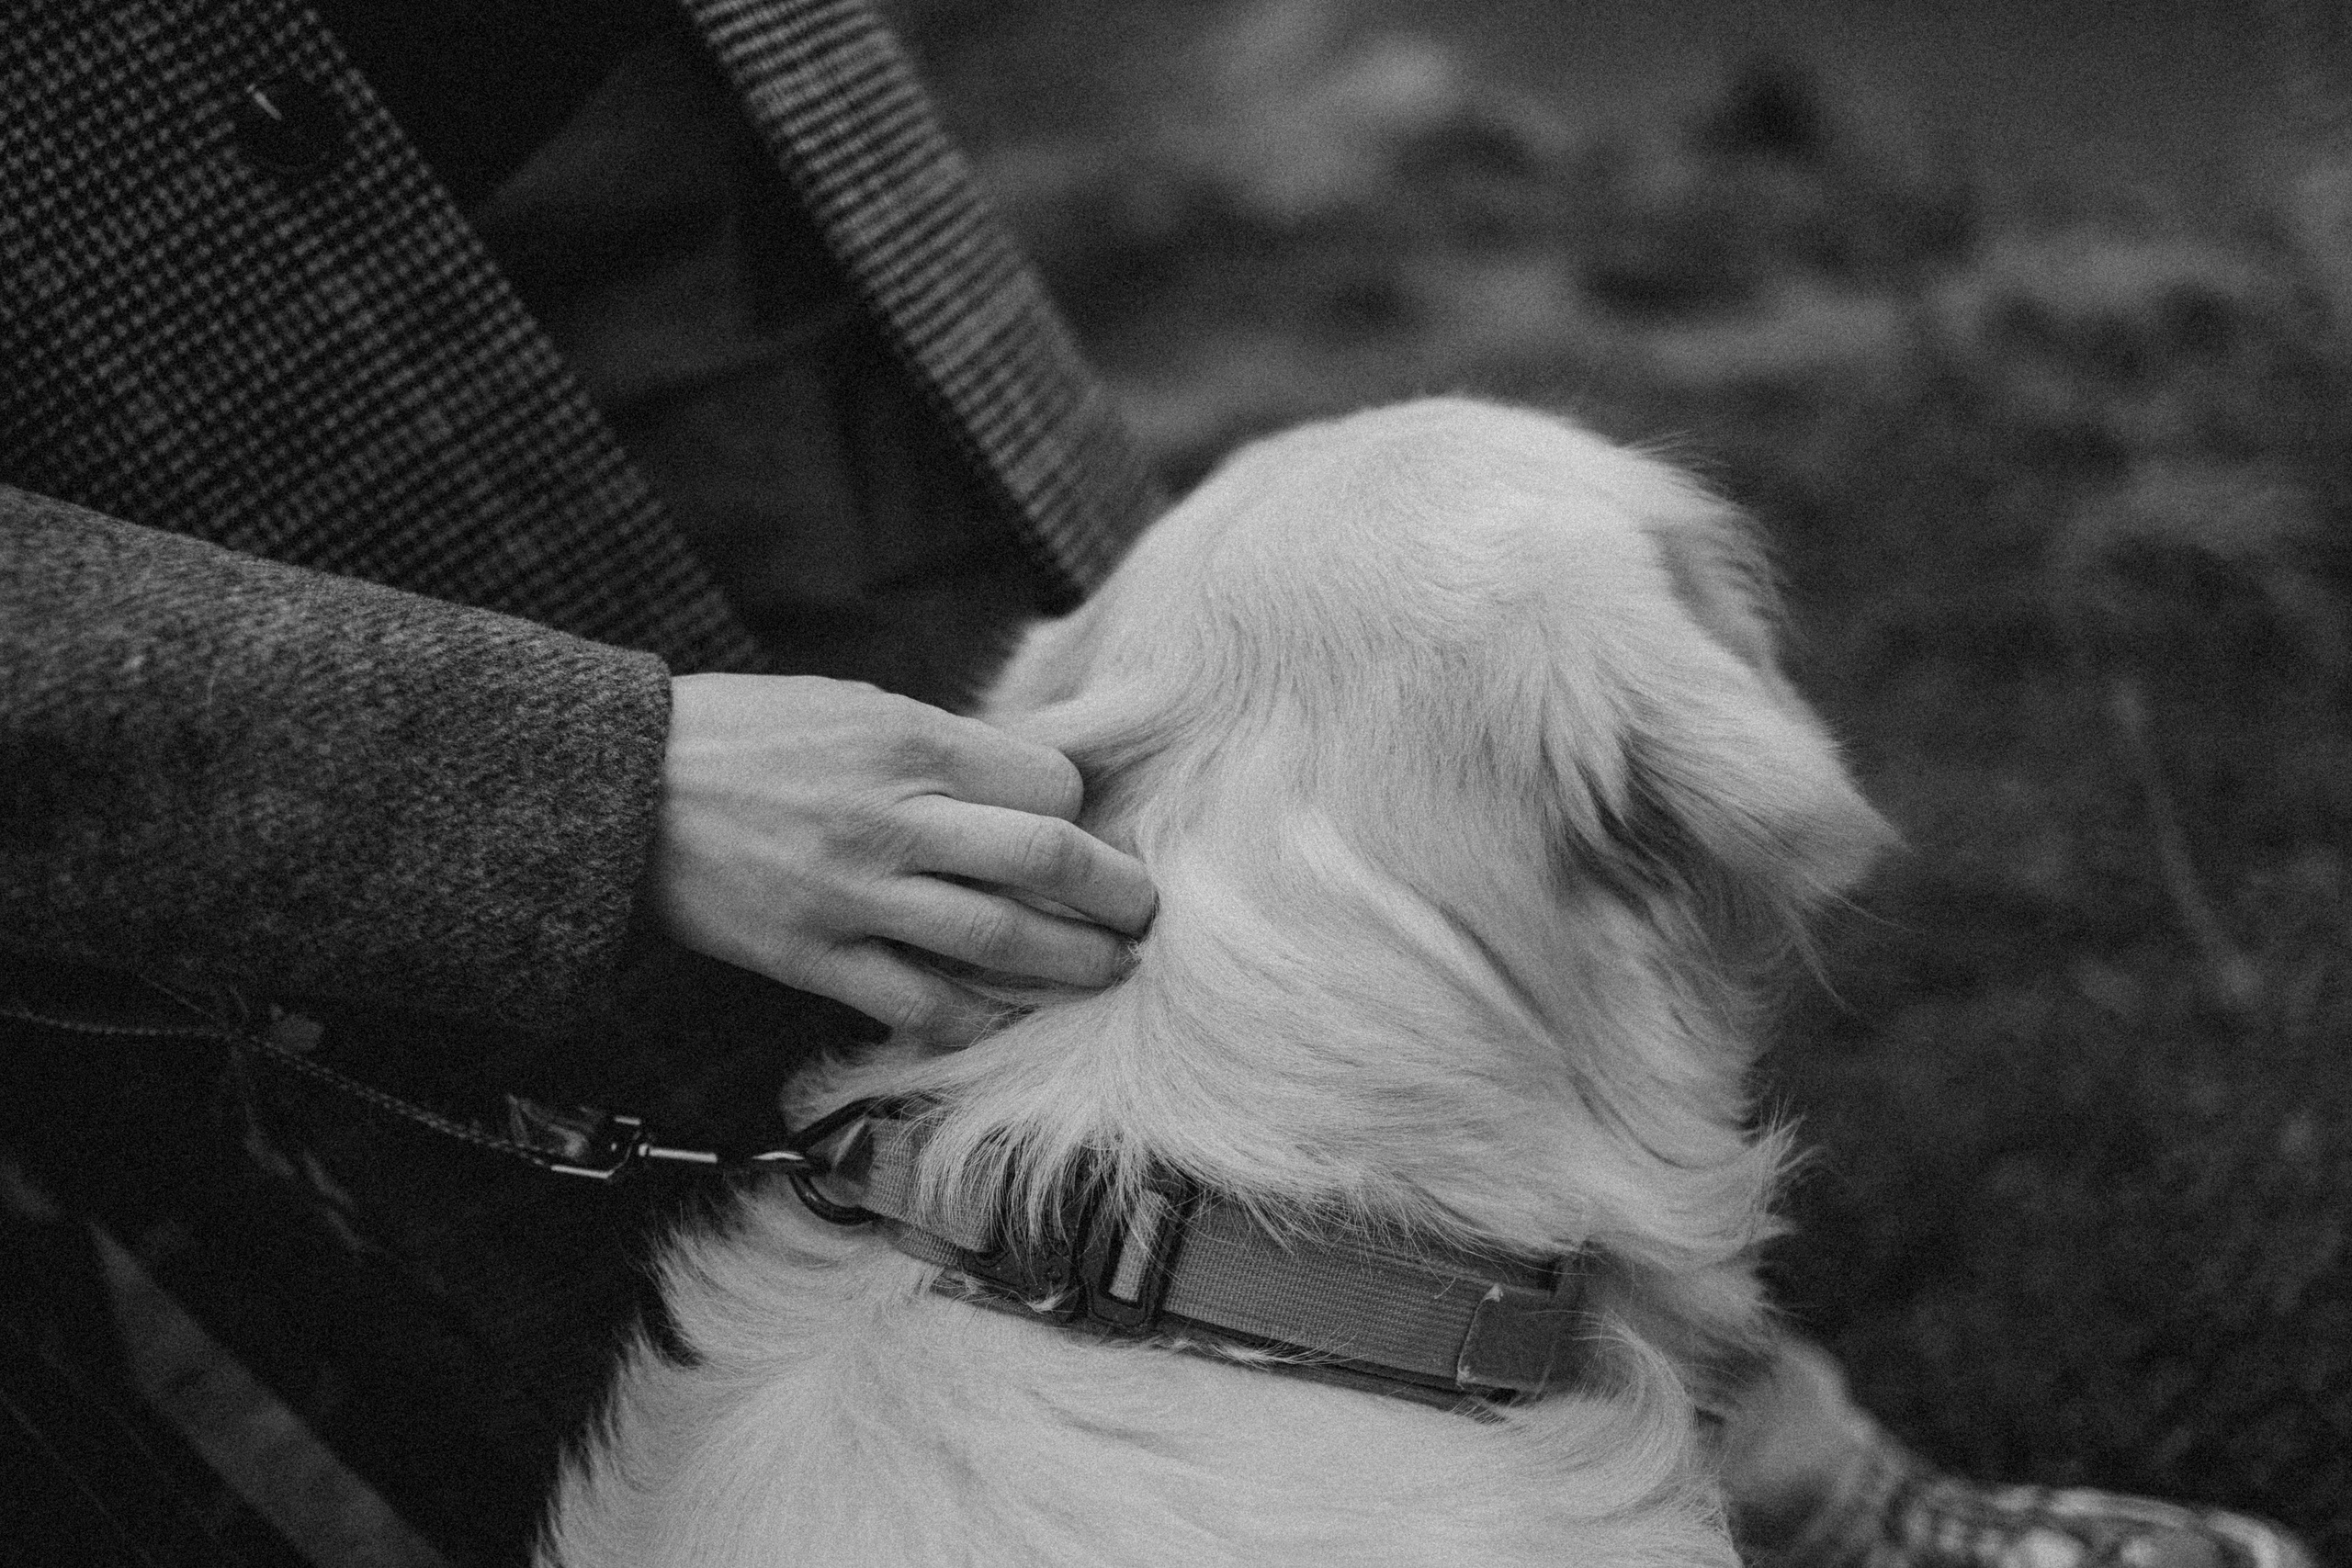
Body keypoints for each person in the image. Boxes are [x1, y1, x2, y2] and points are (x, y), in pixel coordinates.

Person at [0, 1, 2313, 1565]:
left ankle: (1779, 1466)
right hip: (225, 483)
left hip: (688, 144)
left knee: (1261, 948)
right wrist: (551, 779)